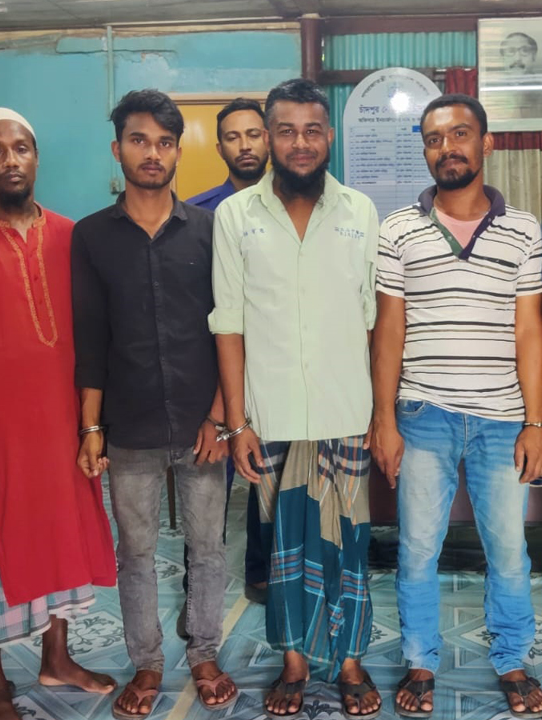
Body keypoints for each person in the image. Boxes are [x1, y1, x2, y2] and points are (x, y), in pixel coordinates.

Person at [0, 107, 118, 720]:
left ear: (37, 157)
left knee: (62, 538)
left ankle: (56, 658)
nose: (10, 160)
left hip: (62, 422)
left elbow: (91, 334)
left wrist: (91, 424)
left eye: (22, 148)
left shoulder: (69, 235)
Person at [372, 93, 542, 720]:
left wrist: (536, 421)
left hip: (502, 419)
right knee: (418, 548)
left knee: (509, 553)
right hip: (424, 416)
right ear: (425, 151)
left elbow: (530, 331)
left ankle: (512, 659)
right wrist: (384, 418)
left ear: (486, 143)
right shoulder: (397, 230)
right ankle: (421, 659)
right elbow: (388, 330)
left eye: (459, 134)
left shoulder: (524, 229)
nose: (447, 148)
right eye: (434, 138)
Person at [209, 78, 382, 720]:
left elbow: (374, 322)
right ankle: (294, 661)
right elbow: (229, 324)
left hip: (347, 412)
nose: (300, 143)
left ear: (329, 136)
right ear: (269, 139)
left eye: (312, 130)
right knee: (282, 552)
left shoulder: (360, 212)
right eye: (286, 131)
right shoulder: (235, 216)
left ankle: (351, 660)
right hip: (272, 416)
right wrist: (236, 423)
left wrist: (381, 413)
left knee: (349, 548)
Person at [72, 89, 236, 719]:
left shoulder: (210, 230)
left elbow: (231, 327)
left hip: (202, 423)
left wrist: (221, 414)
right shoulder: (92, 236)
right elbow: (90, 337)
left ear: (178, 153)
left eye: (165, 142)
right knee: (135, 553)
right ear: (117, 149)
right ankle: (145, 662)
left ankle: (204, 653)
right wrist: (91, 426)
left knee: (208, 547)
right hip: (129, 423)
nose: (153, 153)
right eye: (139, 140)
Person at [186, 96, 271, 608]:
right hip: (213, 374)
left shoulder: (289, 208)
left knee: (266, 481)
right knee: (207, 489)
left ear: (269, 139)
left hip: (272, 372)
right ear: (219, 147)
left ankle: (262, 575)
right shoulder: (198, 215)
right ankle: (198, 595)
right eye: (233, 137)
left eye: (253, 134)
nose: (245, 145)